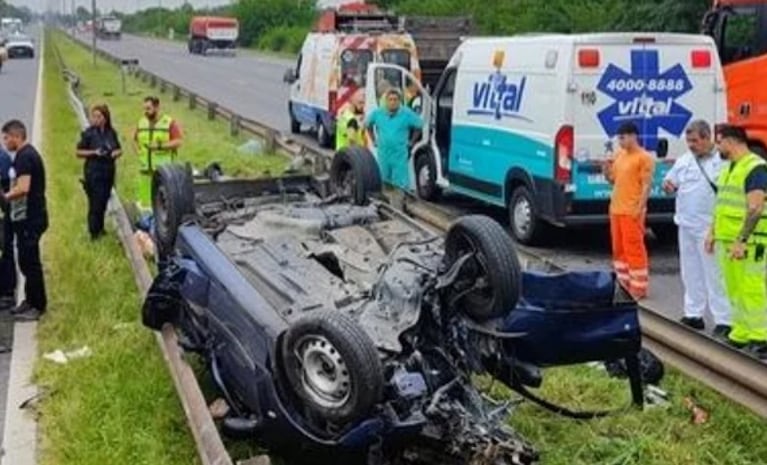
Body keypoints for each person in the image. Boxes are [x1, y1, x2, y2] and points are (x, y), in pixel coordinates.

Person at [662, 120, 731, 338]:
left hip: (709, 227)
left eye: (695, 141)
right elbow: (669, 180)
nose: (691, 145)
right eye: (688, 141)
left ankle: (724, 319)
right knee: (690, 271)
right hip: (685, 224)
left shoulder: (722, 162)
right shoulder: (685, 160)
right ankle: (693, 313)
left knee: (714, 274)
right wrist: (668, 185)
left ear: (707, 137)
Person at [706, 125, 767, 358]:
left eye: (719, 142)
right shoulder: (729, 168)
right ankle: (741, 332)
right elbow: (721, 204)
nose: (717, 147)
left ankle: (761, 337)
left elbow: (755, 208)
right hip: (728, 239)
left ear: (731, 142)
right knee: (734, 288)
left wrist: (742, 240)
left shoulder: (756, 168)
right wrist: (712, 232)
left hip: (750, 242)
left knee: (752, 288)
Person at [1, 119, 48, 321]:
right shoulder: (24, 154)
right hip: (28, 217)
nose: (4, 142)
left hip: (31, 218)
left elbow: (24, 188)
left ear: (16, 136)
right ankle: (29, 300)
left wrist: (4, 197)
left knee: (30, 262)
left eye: (6, 137)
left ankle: (37, 305)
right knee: (25, 261)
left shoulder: (24, 157)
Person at [604, 121, 654, 300]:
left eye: (623, 138)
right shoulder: (619, 155)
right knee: (619, 249)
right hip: (616, 209)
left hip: (631, 210)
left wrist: (639, 209)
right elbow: (612, 180)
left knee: (633, 248)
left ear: (634, 136)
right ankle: (624, 282)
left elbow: (646, 185)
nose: (621, 142)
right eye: (619, 138)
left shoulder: (644, 158)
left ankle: (638, 287)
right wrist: (606, 168)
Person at [76, 104, 122, 239]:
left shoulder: (111, 133)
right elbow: (78, 152)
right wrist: (94, 152)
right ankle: (94, 232)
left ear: (105, 118)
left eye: (99, 116)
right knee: (95, 202)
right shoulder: (88, 133)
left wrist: (115, 153)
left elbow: (119, 149)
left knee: (103, 200)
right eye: (93, 116)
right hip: (93, 172)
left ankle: (101, 228)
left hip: (108, 171)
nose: (95, 119)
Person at [365, 88, 423, 190]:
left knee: (401, 183)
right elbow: (368, 124)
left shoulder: (406, 113)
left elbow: (419, 125)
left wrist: (411, 142)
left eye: (395, 99)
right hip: (384, 153)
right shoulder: (378, 112)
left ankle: (400, 202)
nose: (393, 102)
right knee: (383, 179)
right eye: (390, 99)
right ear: (386, 101)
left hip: (399, 154)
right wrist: (373, 139)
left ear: (399, 101)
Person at [133, 96, 182, 211]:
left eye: (148, 109)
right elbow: (134, 139)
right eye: (144, 109)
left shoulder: (169, 123)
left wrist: (159, 146)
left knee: (164, 205)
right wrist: (138, 152)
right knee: (145, 204)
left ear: (157, 107)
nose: (146, 112)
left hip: (163, 173)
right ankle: (146, 223)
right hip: (145, 172)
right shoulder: (141, 122)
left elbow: (178, 141)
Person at [0, 145, 15, 311]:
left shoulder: (2, 159)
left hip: (2, 219)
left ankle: (7, 294)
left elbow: (4, 194)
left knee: (5, 253)